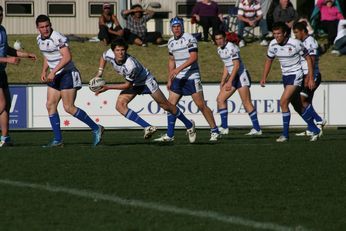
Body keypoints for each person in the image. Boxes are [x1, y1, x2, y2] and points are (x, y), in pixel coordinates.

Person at [94, 38, 196, 143]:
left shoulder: (130, 65)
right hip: (135, 83)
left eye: (123, 50)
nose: (120, 53)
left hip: (146, 81)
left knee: (166, 105)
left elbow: (127, 85)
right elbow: (103, 57)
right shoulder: (109, 53)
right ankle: (147, 127)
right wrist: (100, 72)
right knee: (120, 106)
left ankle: (189, 125)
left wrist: (107, 87)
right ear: (113, 51)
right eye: (117, 50)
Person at [36, 14, 104, 147]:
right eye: (42, 27)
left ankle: (96, 128)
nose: (45, 29)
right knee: (50, 105)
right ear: (37, 28)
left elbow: (67, 57)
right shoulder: (39, 39)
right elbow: (47, 55)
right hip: (55, 75)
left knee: (68, 107)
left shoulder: (57, 37)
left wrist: (53, 72)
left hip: (67, 74)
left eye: (47, 26)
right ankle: (58, 140)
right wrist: (44, 71)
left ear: (51, 25)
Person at [154, 17, 220, 142]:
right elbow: (171, 60)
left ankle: (215, 130)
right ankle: (170, 135)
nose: (176, 28)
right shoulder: (171, 42)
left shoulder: (189, 38)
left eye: (178, 26)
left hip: (192, 77)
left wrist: (178, 69)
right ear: (171, 28)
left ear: (182, 27)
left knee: (201, 105)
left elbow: (193, 57)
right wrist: (170, 78)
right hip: (178, 79)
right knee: (170, 105)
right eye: (174, 27)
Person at [260, 22, 321, 142]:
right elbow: (269, 60)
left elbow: (309, 59)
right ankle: (315, 129)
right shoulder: (272, 44)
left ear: (285, 33)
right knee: (297, 105)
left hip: (296, 75)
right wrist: (264, 77)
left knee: (283, 102)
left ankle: (285, 135)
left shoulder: (295, 44)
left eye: (278, 34)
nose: (276, 36)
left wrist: (309, 76)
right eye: (274, 34)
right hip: (285, 77)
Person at [0, 6, 37, 147]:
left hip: (1, 72)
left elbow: (6, 49)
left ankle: (5, 138)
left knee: (6, 105)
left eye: (1, 14)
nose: (0, 16)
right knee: (1, 104)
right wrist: (8, 60)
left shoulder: (2, 30)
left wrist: (26, 54)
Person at [213, 30, 262, 136]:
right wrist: (223, 81)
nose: (219, 41)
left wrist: (229, 81)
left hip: (241, 76)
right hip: (233, 77)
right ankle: (225, 127)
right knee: (220, 99)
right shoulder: (219, 50)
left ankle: (257, 129)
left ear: (225, 38)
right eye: (217, 39)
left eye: (220, 38)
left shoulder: (232, 47)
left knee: (246, 103)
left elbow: (236, 65)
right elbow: (227, 65)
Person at [292, 21, 326, 137]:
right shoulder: (303, 42)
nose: (295, 35)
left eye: (296, 32)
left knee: (301, 99)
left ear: (303, 31)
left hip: (312, 75)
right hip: (306, 75)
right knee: (306, 102)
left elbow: (311, 60)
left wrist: (310, 78)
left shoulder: (310, 42)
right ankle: (311, 129)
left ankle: (319, 120)